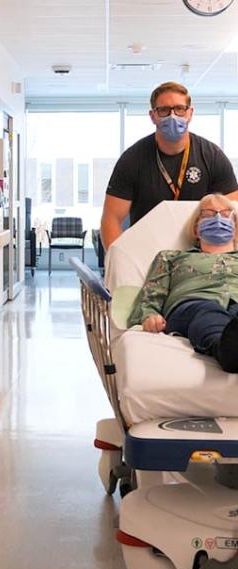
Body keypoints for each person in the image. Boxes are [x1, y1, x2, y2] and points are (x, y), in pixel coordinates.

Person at [101, 81, 238, 250]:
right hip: (147, 254)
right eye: (164, 110)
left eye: (180, 109)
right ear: (153, 116)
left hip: (199, 256)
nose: (173, 116)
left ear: (190, 113)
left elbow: (233, 213)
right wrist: (119, 260)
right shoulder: (132, 159)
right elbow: (111, 219)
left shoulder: (212, 156)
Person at [128, 193, 238, 373]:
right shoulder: (171, 257)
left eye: (226, 214)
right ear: (196, 228)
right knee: (208, 312)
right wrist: (149, 316)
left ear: (235, 226)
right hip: (194, 304)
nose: (218, 218)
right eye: (209, 214)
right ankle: (227, 351)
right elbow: (151, 295)